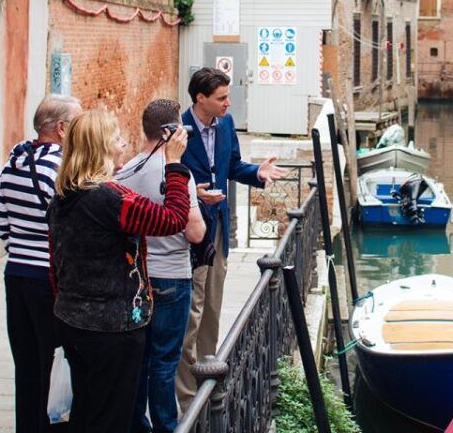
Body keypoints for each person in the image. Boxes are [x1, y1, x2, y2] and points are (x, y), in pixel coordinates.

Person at [48, 109, 192, 432]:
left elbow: (54, 264)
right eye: (115, 139)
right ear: (100, 147)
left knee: (87, 411)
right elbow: (173, 219)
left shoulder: (63, 196)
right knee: (113, 417)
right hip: (113, 329)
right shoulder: (111, 200)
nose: (122, 145)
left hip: (73, 321)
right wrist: (175, 165)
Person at [175, 68, 287, 410]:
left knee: (211, 305)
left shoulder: (225, 124)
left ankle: (208, 374)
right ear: (200, 99)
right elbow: (167, 177)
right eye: (222, 98)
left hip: (219, 228)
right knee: (190, 312)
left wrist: (257, 172)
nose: (228, 103)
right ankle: (188, 396)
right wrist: (194, 192)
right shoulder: (179, 131)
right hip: (191, 230)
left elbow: (233, 166)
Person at [0, 94, 81, 432]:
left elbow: (1, 225)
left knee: (27, 364)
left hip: (16, 275)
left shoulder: (12, 164)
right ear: (61, 129)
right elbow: (70, 229)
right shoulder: (62, 171)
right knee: (55, 360)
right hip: (50, 279)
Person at [116, 100, 205, 433]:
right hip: (171, 278)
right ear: (170, 132)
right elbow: (195, 232)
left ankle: (138, 426)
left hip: (136, 278)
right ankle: (167, 426)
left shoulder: (126, 171)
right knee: (165, 362)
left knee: (139, 362)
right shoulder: (176, 173)